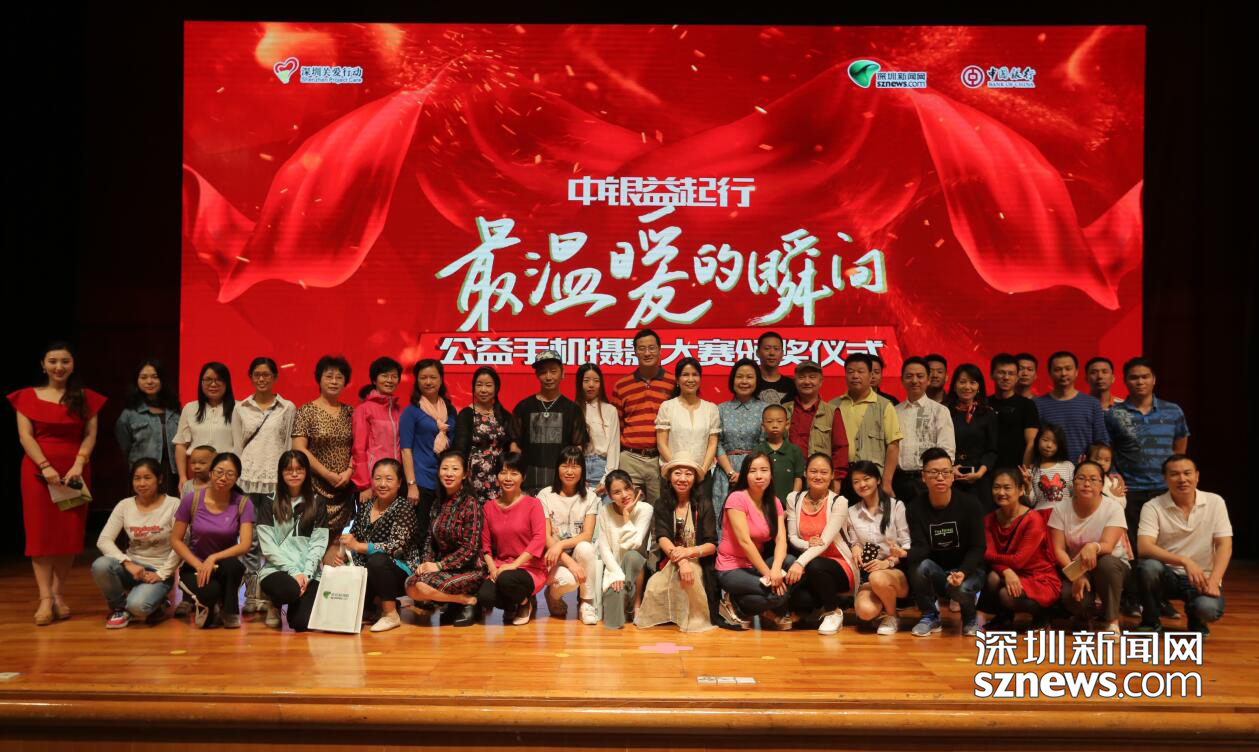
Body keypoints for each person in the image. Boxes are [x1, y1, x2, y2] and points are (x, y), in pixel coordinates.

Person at [10, 342, 107, 625]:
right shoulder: (26, 397)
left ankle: (58, 594)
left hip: (75, 474)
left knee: (68, 536)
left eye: (65, 361)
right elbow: (25, 436)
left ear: (73, 364)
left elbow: (90, 435)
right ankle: (45, 599)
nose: (59, 367)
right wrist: (45, 466)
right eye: (53, 361)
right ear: (43, 365)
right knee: (40, 536)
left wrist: (79, 464)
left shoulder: (85, 398)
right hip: (37, 473)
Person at [1135, 456, 1232, 636]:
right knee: (1148, 567)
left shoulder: (1215, 502)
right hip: (1168, 574)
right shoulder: (1153, 506)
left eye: (1187, 473)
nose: (1182, 479)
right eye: (1174, 474)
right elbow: (1144, 547)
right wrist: (1185, 561)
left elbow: (1224, 545)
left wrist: (1214, 581)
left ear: (1197, 476)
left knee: (1208, 609)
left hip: (1202, 578)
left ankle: (1196, 619)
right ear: (1165, 478)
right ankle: (1150, 620)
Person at [1109, 358, 1190, 561]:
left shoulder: (1173, 411)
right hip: (1130, 491)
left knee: (1166, 543)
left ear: (1154, 379)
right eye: (1134, 377)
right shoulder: (1113, 414)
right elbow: (1107, 451)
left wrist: (1173, 477)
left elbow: (1180, 447)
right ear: (1125, 381)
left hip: (1164, 489)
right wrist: (1115, 478)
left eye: (1145, 377)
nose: (1140, 382)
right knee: (1134, 547)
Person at [91, 458, 180, 628]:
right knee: (100, 565)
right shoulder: (125, 505)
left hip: (159, 570)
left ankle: (157, 602)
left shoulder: (173, 504)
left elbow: (181, 543)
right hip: (132, 569)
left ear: (159, 479)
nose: (141, 483)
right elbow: (104, 540)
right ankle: (119, 608)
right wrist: (127, 562)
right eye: (137, 478)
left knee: (138, 606)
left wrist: (162, 574)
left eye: (147, 478)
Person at [906, 447, 985, 637]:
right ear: (923, 477)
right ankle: (930, 615)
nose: (940, 478)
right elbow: (922, 548)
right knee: (918, 566)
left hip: (969, 570)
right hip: (939, 572)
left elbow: (978, 547)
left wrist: (963, 572)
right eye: (933, 472)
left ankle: (970, 617)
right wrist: (903, 554)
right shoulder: (915, 508)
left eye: (945, 472)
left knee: (961, 588)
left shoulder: (970, 504)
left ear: (952, 476)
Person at [170, 452, 255, 629]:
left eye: (230, 474)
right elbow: (176, 540)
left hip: (225, 566)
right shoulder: (191, 499)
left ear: (237, 478)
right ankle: (208, 605)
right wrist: (199, 565)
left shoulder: (243, 503)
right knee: (210, 595)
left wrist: (213, 558)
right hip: (194, 566)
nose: (223, 478)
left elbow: (245, 544)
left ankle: (230, 611)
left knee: (234, 566)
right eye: (219, 472)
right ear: (210, 472)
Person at [636, 457, 719, 633]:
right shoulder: (662, 503)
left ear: (695, 479)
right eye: (677, 473)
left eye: (688, 474)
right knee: (653, 586)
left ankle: (693, 617)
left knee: (689, 578)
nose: (682, 478)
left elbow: (711, 545)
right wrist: (681, 560)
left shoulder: (704, 503)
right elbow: (662, 537)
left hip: (699, 560)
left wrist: (688, 553)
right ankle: (670, 616)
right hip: (671, 559)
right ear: (670, 477)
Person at [405, 450, 487, 628]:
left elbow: (471, 548)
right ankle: (459, 601)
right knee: (410, 584)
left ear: (464, 474)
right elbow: (430, 540)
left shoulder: (470, 503)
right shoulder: (438, 503)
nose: (449, 473)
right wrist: (426, 564)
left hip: (470, 569)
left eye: (455, 469)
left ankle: (469, 600)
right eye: (445, 468)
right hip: (444, 568)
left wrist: (439, 566)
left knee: (421, 586)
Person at [715, 452, 796, 630]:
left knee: (790, 562)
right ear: (745, 475)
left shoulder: (774, 502)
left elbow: (781, 539)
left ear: (771, 474)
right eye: (753, 471)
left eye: (764, 470)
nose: (759, 476)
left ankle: (749, 604)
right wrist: (769, 574)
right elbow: (745, 542)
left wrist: (776, 569)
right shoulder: (737, 498)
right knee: (779, 595)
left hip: (754, 567)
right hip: (731, 568)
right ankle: (734, 603)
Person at [1048, 460, 1129, 633]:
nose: (1086, 484)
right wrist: (1077, 574)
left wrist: (1093, 547)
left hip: (1112, 567)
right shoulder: (1060, 509)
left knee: (1106, 563)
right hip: (1077, 566)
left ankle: (1112, 621)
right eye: (1081, 478)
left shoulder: (1113, 508)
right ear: (1073, 482)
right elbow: (1058, 550)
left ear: (1102, 484)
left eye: (1093, 479)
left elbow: (1108, 546)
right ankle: (1085, 614)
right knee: (1072, 597)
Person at [339, 458, 419, 632]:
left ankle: (390, 614)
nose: (382, 484)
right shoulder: (366, 505)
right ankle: (376, 604)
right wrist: (343, 552)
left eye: (389, 479)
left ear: (399, 483)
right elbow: (354, 533)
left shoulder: (404, 508)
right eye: (378, 478)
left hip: (398, 570)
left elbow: (396, 547)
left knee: (377, 560)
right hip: (366, 568)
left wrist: (359, 547)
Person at [784, 453, 858, 635]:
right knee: (799, 599)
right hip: (810, 565)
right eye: (813, 471)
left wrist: (800, 562)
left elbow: (824, 542)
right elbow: (792, 537)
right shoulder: (793, 498)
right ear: (805, 473)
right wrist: (807, 544)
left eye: (824, 472)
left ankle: (834, 611)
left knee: (815, 565)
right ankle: (818, 607)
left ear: (832, 475)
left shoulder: (839, 502)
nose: (818, 476)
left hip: (840, 565)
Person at [979, 467, 1061, 629]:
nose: (1001, 492)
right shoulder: (989, 519)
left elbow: (1018, 560)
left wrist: (1002, 565)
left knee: (1005, 595)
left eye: (1007, 487)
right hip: (1012, 571)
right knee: (992, 578)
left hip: (1039, 577)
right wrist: (1006, 570)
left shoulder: (1033, 519)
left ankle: (1042, 614)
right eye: (996, 487)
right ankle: (1004, 617)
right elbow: (987, 553)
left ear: (1021, 490)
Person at [292, 355, 356, 564]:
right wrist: (327, 474)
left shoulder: (351, 412)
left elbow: (359, 447)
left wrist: (349, 471)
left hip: (343, 487)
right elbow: (299, 448)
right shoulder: (306, 411)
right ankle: (307, 579)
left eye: (339, 377)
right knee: (310, 540)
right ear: (319, 379)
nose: (334, 381)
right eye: (329, 376)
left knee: (335, 541)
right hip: (314, 487)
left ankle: (327, 580)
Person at [255, 450, 327, 632]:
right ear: (281, 472)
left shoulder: (318, 502)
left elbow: (318, 543)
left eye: (299, 469)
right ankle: (274, 603)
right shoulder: (269, 500)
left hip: (308, 572)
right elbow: (268, 547)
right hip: (277, 569)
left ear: (306, 472)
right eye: (288, 470)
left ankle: (296, 598)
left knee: (301, 624)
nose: (294, 474)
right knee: (288, 590)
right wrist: (294, 572)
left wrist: (306, 575)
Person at [478, 452, 548, 626]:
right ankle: (511, 604)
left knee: (506, 580)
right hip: (501, 566)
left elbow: (539, 539)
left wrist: (514, 565)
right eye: (503, 472)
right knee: (485, 597)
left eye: (514, 473)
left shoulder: (533, 504)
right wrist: (492, 568)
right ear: (497, 476)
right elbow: (485, 545)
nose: (508, 478)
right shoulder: (488, 507)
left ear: (523, 477)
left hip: (529, 567)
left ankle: (524, 602)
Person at [611, 328, 676, 509]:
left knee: (659, 511)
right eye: (642, 348)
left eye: (652, 348)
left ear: (660, 350)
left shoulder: (673, 383)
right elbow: (617, 427)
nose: (647, 353)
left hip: (659, 459)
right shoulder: (621, 386)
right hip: (630, 458)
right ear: (635, 352)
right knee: (628, 509)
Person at [846, 460, 912, 635]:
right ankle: (882, 606)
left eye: (866, 479)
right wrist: (855, 547)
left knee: (878, 578)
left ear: (878, 480)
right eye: (856, 481)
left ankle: (891, 616)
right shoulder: (851, 512)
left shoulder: (896, 506)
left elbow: (906, 543)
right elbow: (854, 541)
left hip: (896, 571)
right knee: (865, 612)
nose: (862, 484)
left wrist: (889, 562)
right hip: (868, 574)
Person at [536, 446, 599, 623]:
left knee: (586, 548)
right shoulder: (545, 495)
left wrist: (561, 544)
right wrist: (569, 561)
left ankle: (586, 604)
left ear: (582, 470)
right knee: (569, 581)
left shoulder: (590, 497)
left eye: (575, 466)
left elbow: (587, 535)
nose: (569, 471)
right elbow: (545, 536)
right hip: (552, 557)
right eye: (565, 466)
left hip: (574, 552)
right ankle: (552, 596)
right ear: (557, 468)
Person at [400, 358, 457, 549]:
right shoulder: (412, 411)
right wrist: (411, 485)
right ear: (417, 381)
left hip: (444, 480)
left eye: (433, 377)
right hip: (420, 481)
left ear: (441, 379)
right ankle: (412, 566)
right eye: (423, 377)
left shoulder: (449, 409)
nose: (428, 382)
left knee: (441, 533)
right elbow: (405, 449)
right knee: (419, 532)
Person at [512, 350, 585, 495]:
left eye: (553, 371)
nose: (548, 377)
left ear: (562, 373)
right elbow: (515, 445)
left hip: (561, 480)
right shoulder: (523, 407)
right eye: (543, 372)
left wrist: (571, 477)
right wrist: (516, 475)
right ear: (537, 375)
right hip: (529, 478)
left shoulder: (573, 409)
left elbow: (577, 447)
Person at [834, 354, 902, 497]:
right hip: (841, 478)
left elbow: (893, 445)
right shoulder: (833, 405)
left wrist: (887, 481)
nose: (855, 376)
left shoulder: (884, 405)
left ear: (871, 375)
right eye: (851, 371)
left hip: (872, 477)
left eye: (861, 371)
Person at [595, 469, 654, 629]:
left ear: (633, 486)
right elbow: (604, 548)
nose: (624, 495)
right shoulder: (605, 511)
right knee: (613, 623)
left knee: (633, 556)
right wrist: (617, 575)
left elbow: (634, 543)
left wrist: (626, 516)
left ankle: (636, 604)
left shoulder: (645, 509)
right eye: (617, 492)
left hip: (635, 569)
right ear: (609, 495)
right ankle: (623, 603)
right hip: (614, 571)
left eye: (627, 488)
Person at [893, 356, 955, 504]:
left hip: (928, 481)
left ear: (928, 380)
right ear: (902, 380)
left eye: (920, 376)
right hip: (898, 480)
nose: (914, 380)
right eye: (909, 376)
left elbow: (947, 450)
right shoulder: (894, 411)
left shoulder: (939, 410)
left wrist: (938, 477)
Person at [655, 357, 720, 498]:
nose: (690, 379)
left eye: (695, 375)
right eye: (685, 375)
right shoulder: (667, 407)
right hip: (673, 476)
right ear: (677, 380)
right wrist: (679, 471)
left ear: (700, 379)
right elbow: (661, 444)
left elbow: (712, 444)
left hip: (702, 475)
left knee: (701, 511)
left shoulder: (711, 409)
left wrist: (701, 471)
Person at [114, 358, 181, 495]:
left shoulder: (175, 410)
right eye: (144, 377)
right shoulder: (129, 414)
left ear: (162, 380)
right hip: (143, 475)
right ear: (137, 381)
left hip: (172, 473)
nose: (149, 381)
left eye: (155, 377)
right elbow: (125, 448)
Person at [714, 358, 768, 523]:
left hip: (755, 471)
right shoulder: (721, 409)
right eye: (740, 376)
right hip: (726, 472)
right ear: (732, 380)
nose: (744, 381)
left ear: (757, 381)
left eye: (749, 377)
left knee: (753, 519)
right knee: (724, 518)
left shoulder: (765, 409)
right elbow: (717, 443)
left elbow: (764, 443)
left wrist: (746, 473)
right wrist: (731, 472)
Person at [232, 357, 296, 496]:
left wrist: (287, 472)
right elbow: (237, 446)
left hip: (275, 476)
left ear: (275, 377)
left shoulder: (287, 407)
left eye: (266, 375)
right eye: (257, 375)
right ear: (251, 377)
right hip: (246, 475)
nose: (261, 379)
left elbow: (289, 445)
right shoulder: (240, 408)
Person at [455, 365, 519, 504]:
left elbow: (513, 447)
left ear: (496, 388)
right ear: (473, 388)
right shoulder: (466, 414)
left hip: (500, 478)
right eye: (479, 385)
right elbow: (459, 449)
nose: (483, 390)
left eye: (488, 385)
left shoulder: (505, 415)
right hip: (473, 478)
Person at [1033, 351, 1109, 462]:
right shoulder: (1037, 404)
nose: (1063, 373)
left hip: (1084, 469)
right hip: (1049, 470)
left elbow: (1101, 441)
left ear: (1076, 372)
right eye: (1058, 369)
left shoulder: (1092, 404)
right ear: (1050, 373)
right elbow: (1033, 442)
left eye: (1068, 369)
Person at [783, 359, 847, 490]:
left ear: (821, 381)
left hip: (819, 478)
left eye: (812, 377)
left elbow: (840, 448)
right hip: (787, 476)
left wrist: (837, 481)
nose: (807, 381)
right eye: (802, 377)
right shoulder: (783, 410)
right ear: (795, 381)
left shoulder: (832, 411)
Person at [944, 364, 998, 510]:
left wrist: (980, 473)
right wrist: (950, 469)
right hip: (950, 477)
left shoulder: (988, 414)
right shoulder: (944, 412)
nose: (967, 387)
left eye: (972, 382)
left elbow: (992, 450)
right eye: (962, 382)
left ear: (979, 387)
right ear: (954, 386)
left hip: (980, 478)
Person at [174, 362, 236, 489]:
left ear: (227, 383)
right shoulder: (190, 408)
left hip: (227, 473)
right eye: (208, 379)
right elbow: (181, 444)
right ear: (201, 382)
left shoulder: (238, 408)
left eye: (219, 379)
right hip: (197, 474)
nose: (213, 384)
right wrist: (182, 477)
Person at [352, 356, 404, 501]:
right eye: (385, 376)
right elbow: (359, 449)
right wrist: (364, 485)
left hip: (396, 481)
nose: (390, 380)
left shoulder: (400, 411)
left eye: (394, 376)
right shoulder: (364, 409)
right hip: (374, 482)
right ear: (374, 380)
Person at [989, 353, 1040, 470]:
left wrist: (1025, 471)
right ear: (992, 375)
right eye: (1001, 372)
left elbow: (1031, 443)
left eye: (1011, 373)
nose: (1006, 377)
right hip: (986, 470)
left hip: (1015, 471)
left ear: (1017, 377)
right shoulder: (984, 403)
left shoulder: (1027, 405)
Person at [575, 363, 618, 496]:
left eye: (596, 381)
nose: (591, 385)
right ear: (579, 383)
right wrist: (577, 477)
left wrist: (607, 479)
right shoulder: (573, 409)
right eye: (586, 381)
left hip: (602, 468)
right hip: (579, 467)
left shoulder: (610, 410)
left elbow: (613, 447)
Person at [755, 404, 805, 504]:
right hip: (763, 504)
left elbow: (798, 478)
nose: (775, 425)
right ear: (763, 426)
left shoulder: (795, 450)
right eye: (770, 421)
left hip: (788, 505)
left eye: (779, 421)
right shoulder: (758, 450)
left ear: (787, 425)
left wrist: (793, 500)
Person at [1023, 424, 1075, 511]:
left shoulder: (1068, 466)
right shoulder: (1032, 470)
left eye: (1055, 442)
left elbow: (1075, 494)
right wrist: (1028, 486)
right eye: (1045, 440)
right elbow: (1032, 503)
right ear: (1038, 440)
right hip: (1041, 515)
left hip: (1064, 514)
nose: (1049, 445)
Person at [752, 331, 796, 405]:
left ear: (782, 353)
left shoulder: (792, 385)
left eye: (776, 349)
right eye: (767, 348)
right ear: (757, 353)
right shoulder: (750, 382)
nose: (772, 353)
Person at [1087, 442, 1128, 510]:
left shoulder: (1114, 482)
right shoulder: (1085, 481)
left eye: (1107, 460)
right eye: (1097, 459)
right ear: (1087, 459)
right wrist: (1111, 495)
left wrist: (1110, 496)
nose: (1102, 463)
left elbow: (1122, 505)